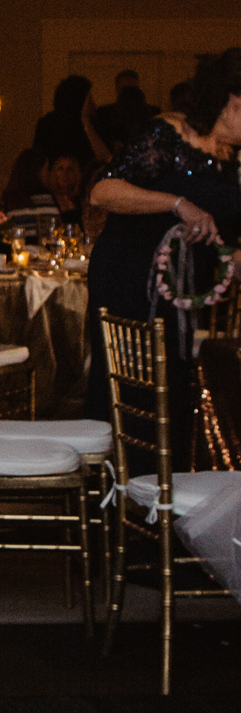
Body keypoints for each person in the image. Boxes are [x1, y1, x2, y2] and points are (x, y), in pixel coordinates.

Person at [85, 56, 241, 464]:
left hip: (190, 292)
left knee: (180, 387)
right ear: (233, 102)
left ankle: (169, 493)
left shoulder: (236, 158)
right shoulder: (171, 133)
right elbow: (103, 192)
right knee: (138, 384)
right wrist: (177, 205)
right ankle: (128, 489)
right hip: (131, 278)